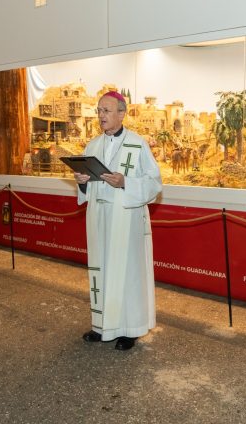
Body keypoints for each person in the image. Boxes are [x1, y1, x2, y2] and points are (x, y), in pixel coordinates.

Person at [74, 90, 162, 351]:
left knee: (126, 273)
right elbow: (86, 186)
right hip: (99, 217)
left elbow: (154, 182)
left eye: (106, 110)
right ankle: (101, 326)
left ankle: (128, 329)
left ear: (122, 113)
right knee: (101, 269)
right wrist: (82, 182)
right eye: (99, 111)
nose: (101, 115)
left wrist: (125, 182)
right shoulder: (92, 146)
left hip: (126, 218)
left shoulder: (138, 144)